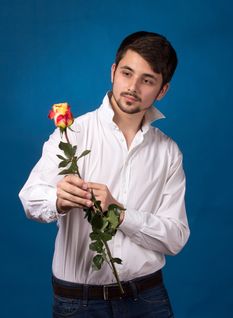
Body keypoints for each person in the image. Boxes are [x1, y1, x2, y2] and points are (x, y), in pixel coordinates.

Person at [19, 31, 190, 318]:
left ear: (162, 90)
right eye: (126, 73)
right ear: (113, 71)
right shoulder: (72, 133)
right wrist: (57, 199)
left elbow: (176, 237)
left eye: (147, 80)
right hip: (78, 302)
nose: (133, 87)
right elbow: (30, 199)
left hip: (147, 299)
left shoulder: (168, 152)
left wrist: (121, 214)